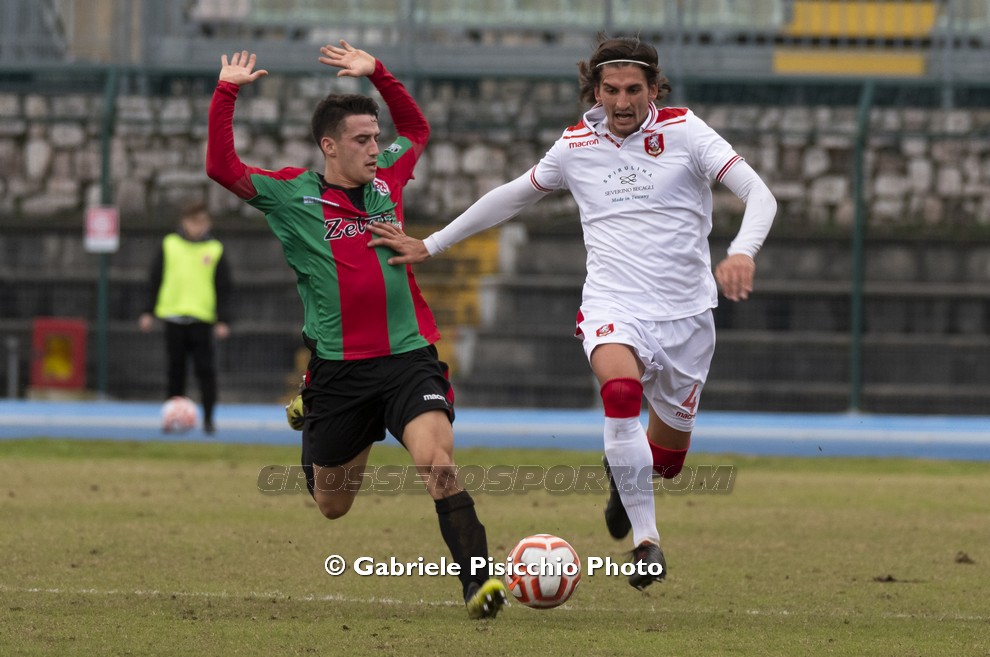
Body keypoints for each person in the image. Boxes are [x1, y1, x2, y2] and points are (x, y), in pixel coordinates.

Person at [368, 35, 777, 590]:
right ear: (595, 90)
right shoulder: (575, 145)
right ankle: (647, 542)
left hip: (687, 317)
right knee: (620, 394)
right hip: (614, 304)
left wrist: (742, 252)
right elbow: (513, 195)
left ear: (654, 89)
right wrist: (432, 243)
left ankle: (622, 479)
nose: (623, 101)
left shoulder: (686, 131)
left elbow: (759, 194)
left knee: (666, 462)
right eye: (612, 89)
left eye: (634, 89)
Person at [205, 43, 508, 619]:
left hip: (409, 359)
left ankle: (478, 584)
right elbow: (223, 168)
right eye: (362, 140)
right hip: (340, 371)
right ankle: (312, 411)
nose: (375, 147)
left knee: (439, 466)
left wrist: (380, 74)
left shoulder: (388, 177)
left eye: (376, 137)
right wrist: (226, 93)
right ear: (330, 146)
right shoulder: (291, 195)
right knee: (332, 506)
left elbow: (416, 130)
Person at [139, 200, 232, 434]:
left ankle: (209, 420)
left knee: (205, 371)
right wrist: (148, 311)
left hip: (201, 319)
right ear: (184, 222)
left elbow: (224, 287)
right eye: (193, 222)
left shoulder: (215, 249)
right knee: (175, 371)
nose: (197, 227)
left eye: (202, 222)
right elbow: (155, 279)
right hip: (173, 317)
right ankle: (172, 418)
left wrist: (223, 319)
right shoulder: (169, 244)